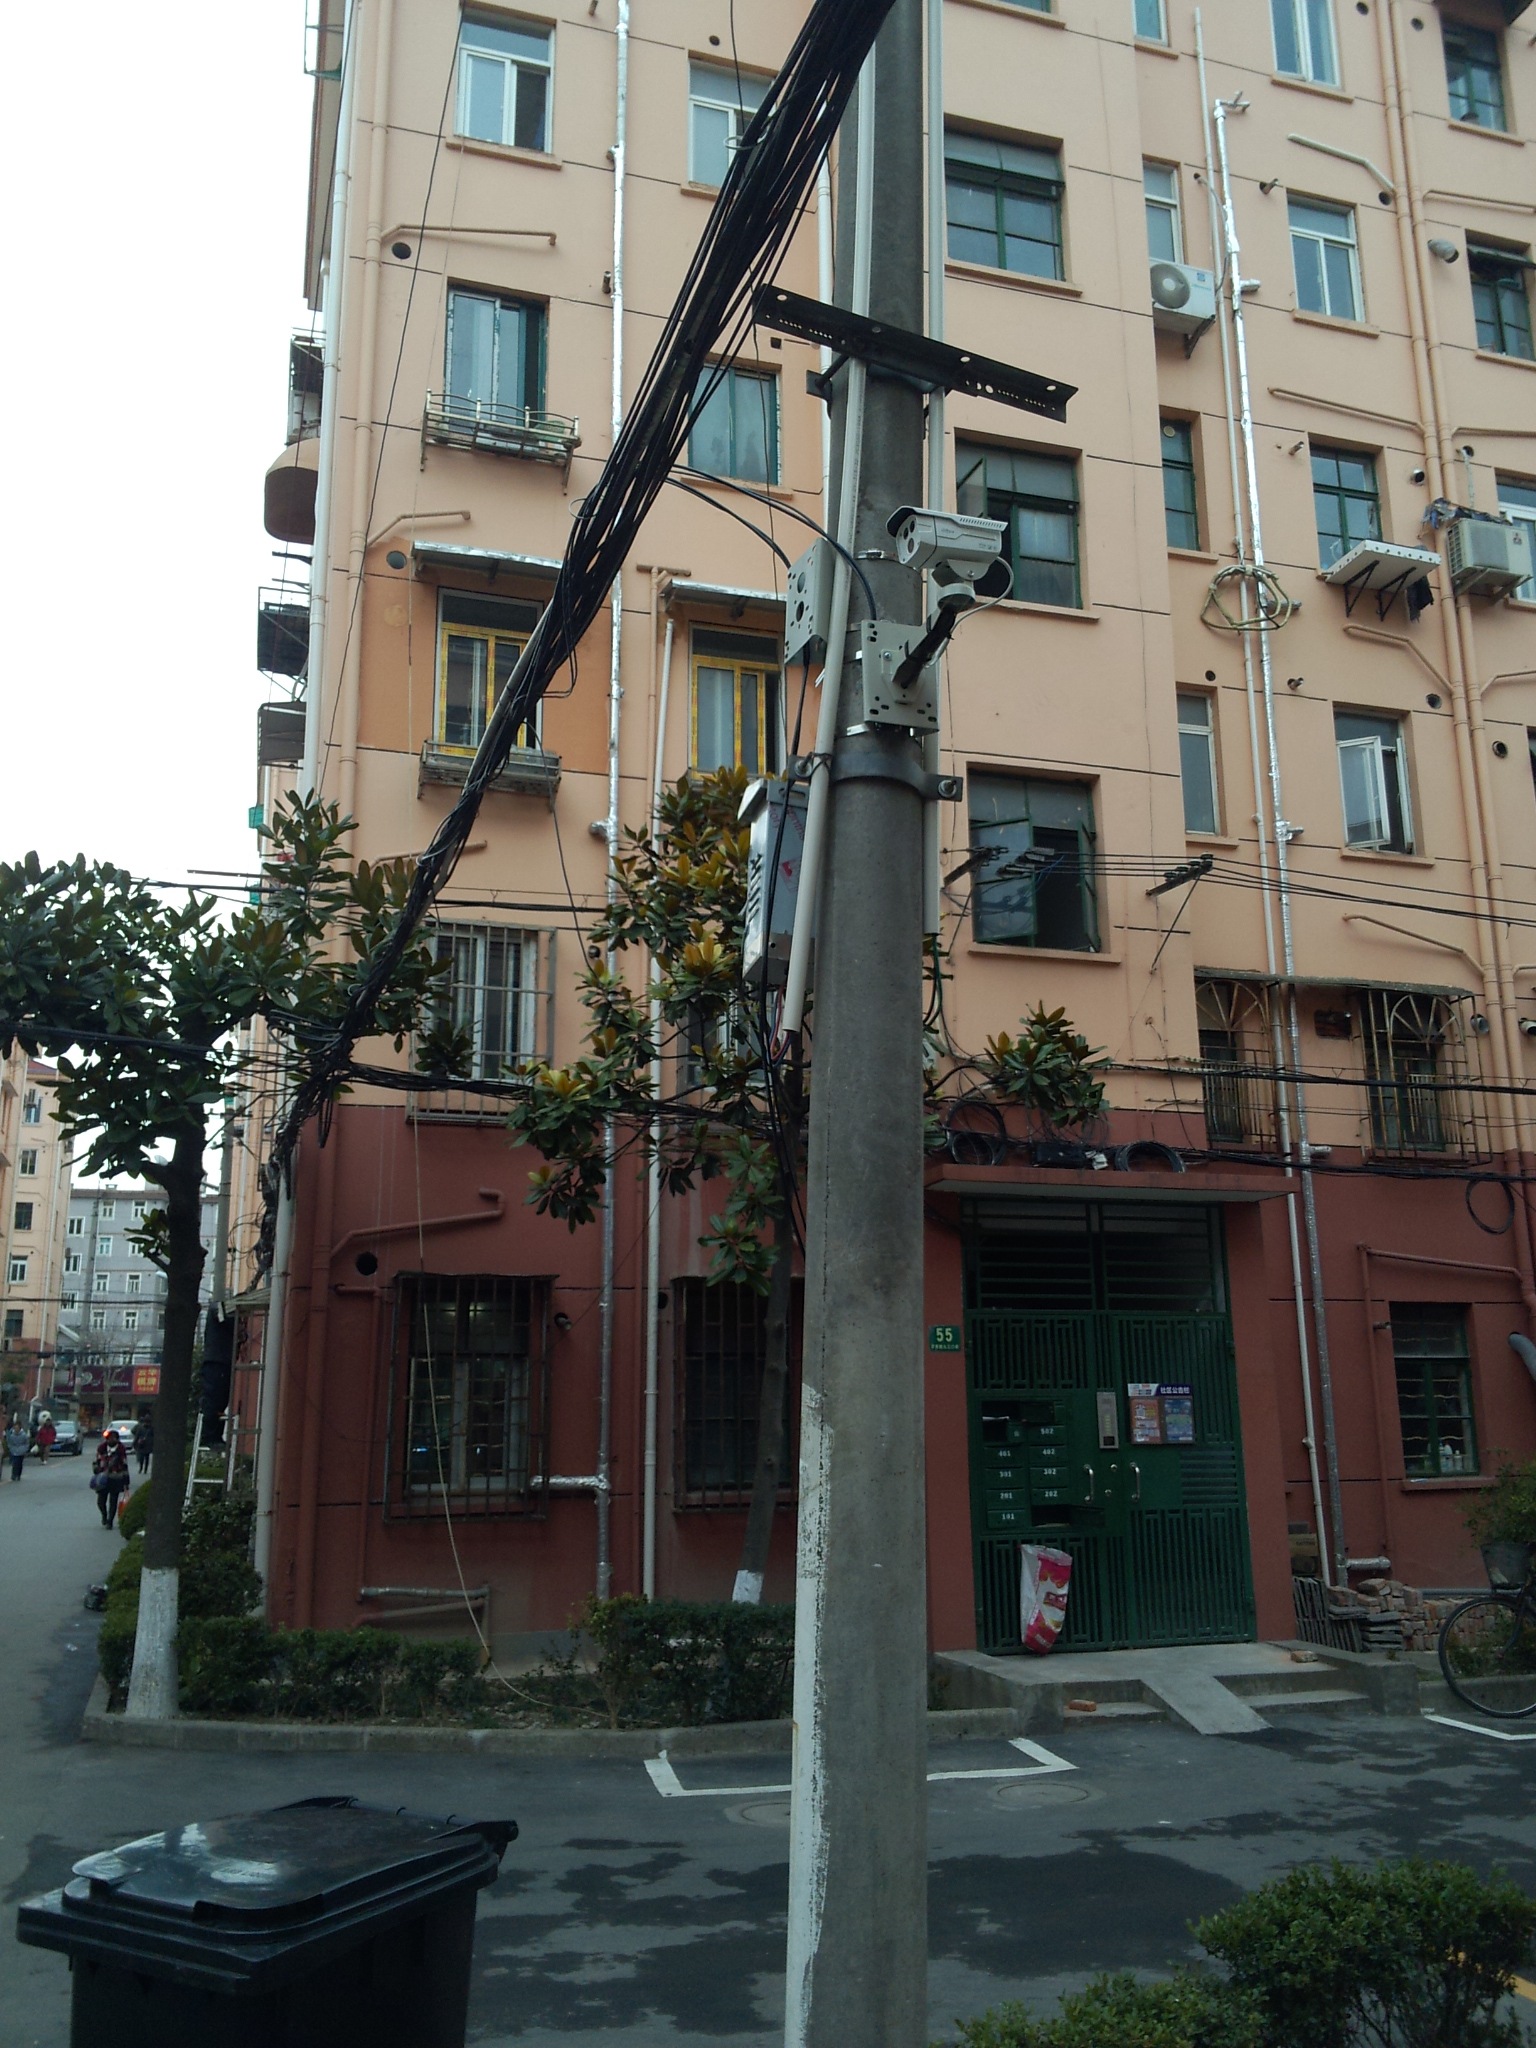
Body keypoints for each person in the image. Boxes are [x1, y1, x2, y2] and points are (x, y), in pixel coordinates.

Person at [92, 1432, 130, 1529]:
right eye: (109, 1438)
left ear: (117, 1439)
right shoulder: (102, 1448)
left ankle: (110, 1521)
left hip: (116, 1478)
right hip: (102, 1478)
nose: (111, 1440)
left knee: (113, 1501)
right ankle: (104, 1515)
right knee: (100, 1501)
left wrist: (126, 1481)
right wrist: (96, 1469)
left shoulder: (121, 1449)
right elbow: (96, 1461)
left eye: (113, 1438)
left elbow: (125, 1465)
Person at [4, 1417, 29, 1481]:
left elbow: (26, 1443)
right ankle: (14, 1474)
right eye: (15, 1428)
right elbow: (10, 1443)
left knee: (19, 1464)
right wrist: (11, 1449)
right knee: (14, 1463)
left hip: (21, 1451)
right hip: (14, 1451)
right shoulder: (12, 1435)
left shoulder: (24, 1435)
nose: (16, 1429)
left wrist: (24, 1449)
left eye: (17, 1428)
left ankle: (18, 1475)